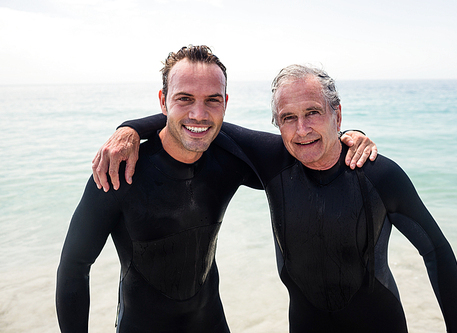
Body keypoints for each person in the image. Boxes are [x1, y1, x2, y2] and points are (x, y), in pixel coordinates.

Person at [94, 66, 457, 332]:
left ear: (336, 114)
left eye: (313, 113)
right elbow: (196, 122)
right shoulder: (272, 160)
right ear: (276, 123)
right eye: (288, 117)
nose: (302, 129)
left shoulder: (377, 174)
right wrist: (129, 129)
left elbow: (436, 252)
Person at [57, 45, 375, 333]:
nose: (199, 113)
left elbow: (304, 146)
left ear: (225, 103)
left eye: (212, 100)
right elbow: (74, 268)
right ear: (162, 101)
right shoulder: (121, 168)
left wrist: (348, 134)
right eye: (184, 98)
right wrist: (129, 128)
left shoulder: (228, 156)